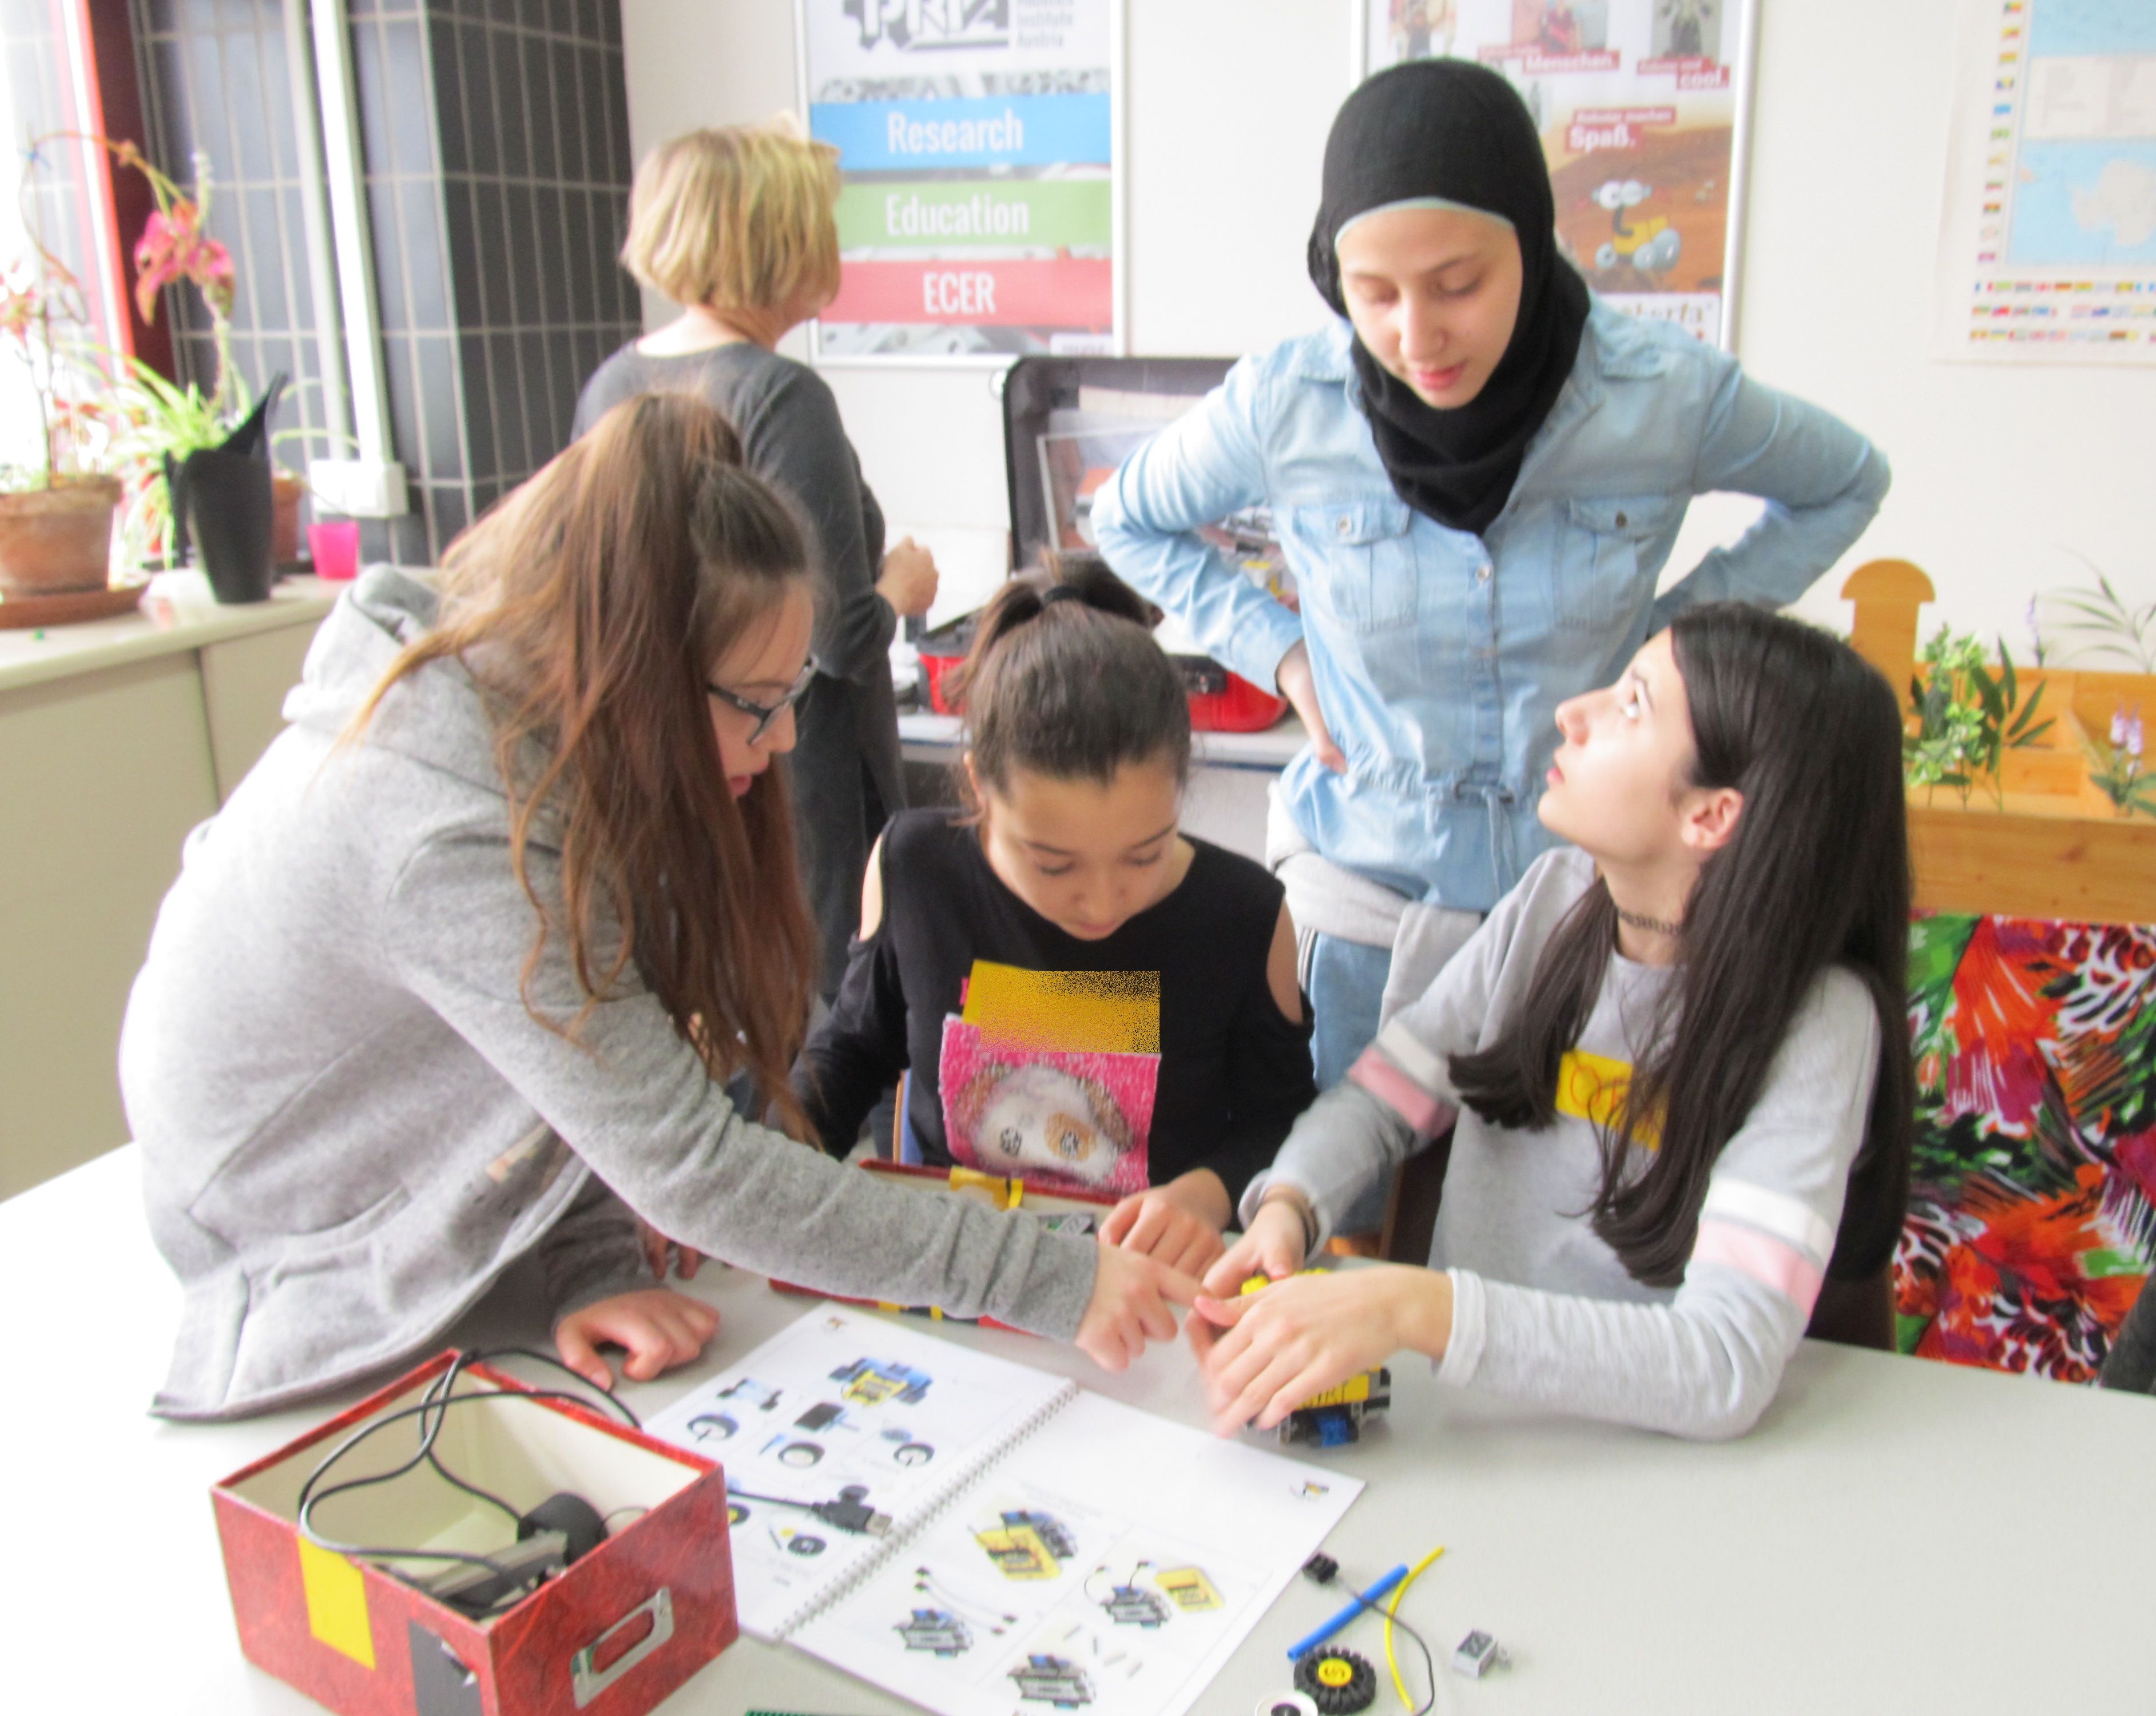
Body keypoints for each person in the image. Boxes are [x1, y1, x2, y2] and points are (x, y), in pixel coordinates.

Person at [120, 396, 1193, 1422]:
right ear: (639, 669)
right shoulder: (446, 832)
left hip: (411, 1185)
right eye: (757, 706)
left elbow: (563, 1054)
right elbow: (692, 1166)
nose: (781, 743)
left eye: (792, 700)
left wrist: (584, 1258)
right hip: (282, 1238)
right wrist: (1048, 1278)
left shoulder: (544, 725)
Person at [1090, 59, 1891, 1232]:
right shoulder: (1289, 402)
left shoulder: (1657, 394)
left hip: (1570, 910)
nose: (1416, 335)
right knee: (1321, 1222)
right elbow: (1124, 516)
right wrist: (1282, 654)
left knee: (1546, 1234)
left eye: (1457, 283)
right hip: (1362, 898)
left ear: (1531, 240)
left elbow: (1843, 483)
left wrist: (1663, 655)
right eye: (1371, 293)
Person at [1188, 604, 1912, 1441]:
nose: (1575, 712)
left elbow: (1721, 1365)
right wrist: (1289, 1205)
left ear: (1711, 816)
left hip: (1640, 1460)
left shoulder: (1819, 1024)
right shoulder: (1553, 901)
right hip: (1471, 1429)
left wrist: (1415, 1303)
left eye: (1632, 705)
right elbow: (1380, 1101)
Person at [796, 559, 1319, 1281]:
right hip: (957, 1270)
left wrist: (1209, 1194)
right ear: (979, 784)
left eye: (1144, 855)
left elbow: (1284, 1121)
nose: (1101, 903)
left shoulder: (1243, 917)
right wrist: (759, 1162)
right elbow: (850, 1056)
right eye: (1053, 865)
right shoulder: (916, 871)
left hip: (1149, 1290)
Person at [574, 122, 937, 997]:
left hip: (674, 773)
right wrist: (901, 587)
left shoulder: (611, 384)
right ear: (781, 238)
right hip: (794, 782)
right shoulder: (780, 395)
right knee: (823, 1019)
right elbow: (842, 637)